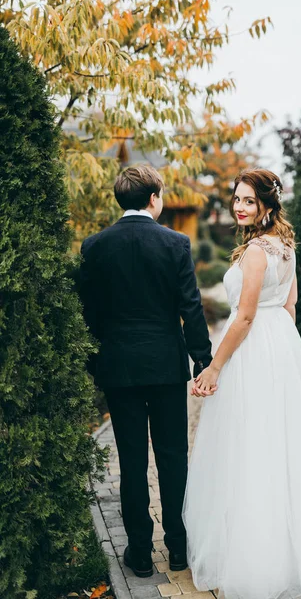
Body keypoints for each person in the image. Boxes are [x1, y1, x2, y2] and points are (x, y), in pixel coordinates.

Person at [183, 168, 301, 599]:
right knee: (282, 445)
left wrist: (214, 367)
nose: (240, 206)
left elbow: (245, 316)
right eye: (237, 199)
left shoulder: (254, 253)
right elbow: (290, 306)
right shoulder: (286, 246)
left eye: (249, 200)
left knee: (251, 446)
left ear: (267, 204)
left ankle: (256, 561)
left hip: (251, 347)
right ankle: (295, 552)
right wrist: (283, 355)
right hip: (280, 345)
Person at [79, 165, 213, 578]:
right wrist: (201, 360)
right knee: (174, 458)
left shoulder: (95, 246)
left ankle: (139, 552)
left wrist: (95, 364)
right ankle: (178, 547)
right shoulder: (176, 243)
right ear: (155, 197)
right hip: (165, 367)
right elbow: (190, 306)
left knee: (132, 461)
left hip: (119, 368)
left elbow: (88, 313)